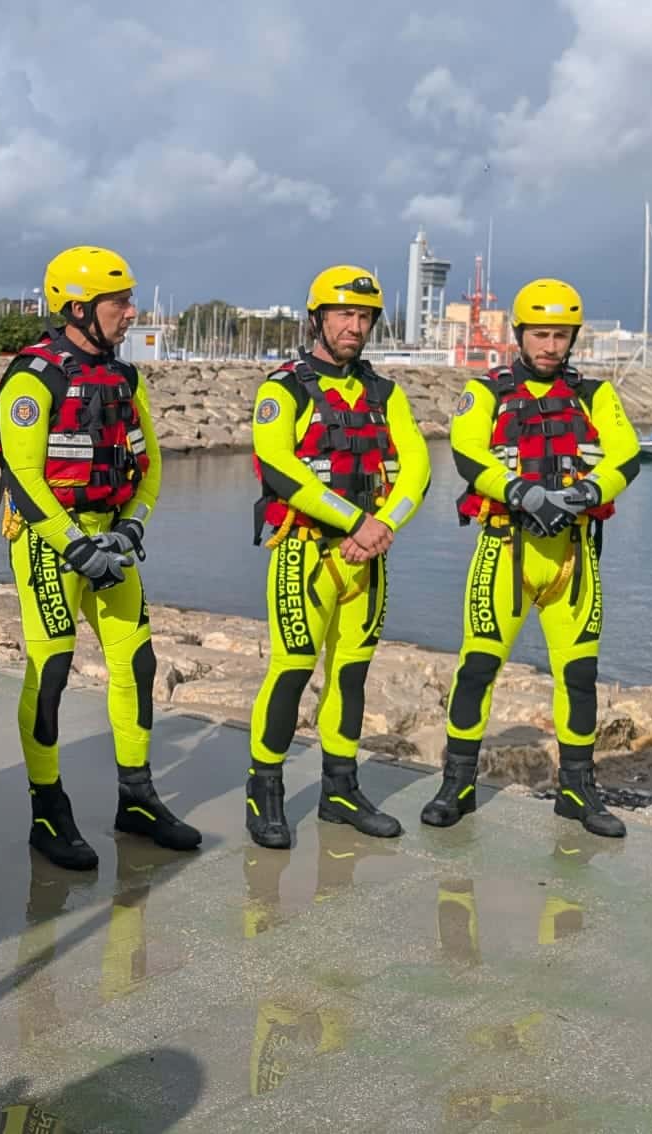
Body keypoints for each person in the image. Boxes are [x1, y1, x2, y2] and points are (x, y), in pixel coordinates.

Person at [0, 245, 199, 872]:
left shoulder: (126, 379)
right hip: (51, 541)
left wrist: (130, 530)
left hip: (112, 537)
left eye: (130, 299)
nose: (132, 312)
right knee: (51, 668)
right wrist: (75, 545)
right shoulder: (33, 375)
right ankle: (47, 809)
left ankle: (136, 798)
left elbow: (151, 466)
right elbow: (22, 476)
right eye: (120, 301)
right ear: (78, 308)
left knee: (137, 658)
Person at [421, 278, 641, 838]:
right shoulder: (487, 391)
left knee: (580, 675)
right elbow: (468, 449)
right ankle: (457, 782)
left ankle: (576, 789)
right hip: (505, 551)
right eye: (540, 334)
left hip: (573, 556)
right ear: (520, 334)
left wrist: (585, 493)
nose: (550, 345)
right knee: (477, 668)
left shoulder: (597, 395)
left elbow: (627, 455)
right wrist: (520, 492)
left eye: (561, 335)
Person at [243, 265, 431, 847]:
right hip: (304, 557)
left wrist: (382, 526)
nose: (356, 326)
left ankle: (340, 791)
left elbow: (418, 468)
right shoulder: (284, 389)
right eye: (345, 314)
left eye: (365, 316)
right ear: (318, 317)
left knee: (351, 675)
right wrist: (358, 521)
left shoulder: (384, 393)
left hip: (366, 563)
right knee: (293, 670)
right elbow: (279, 466)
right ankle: (265, 792)